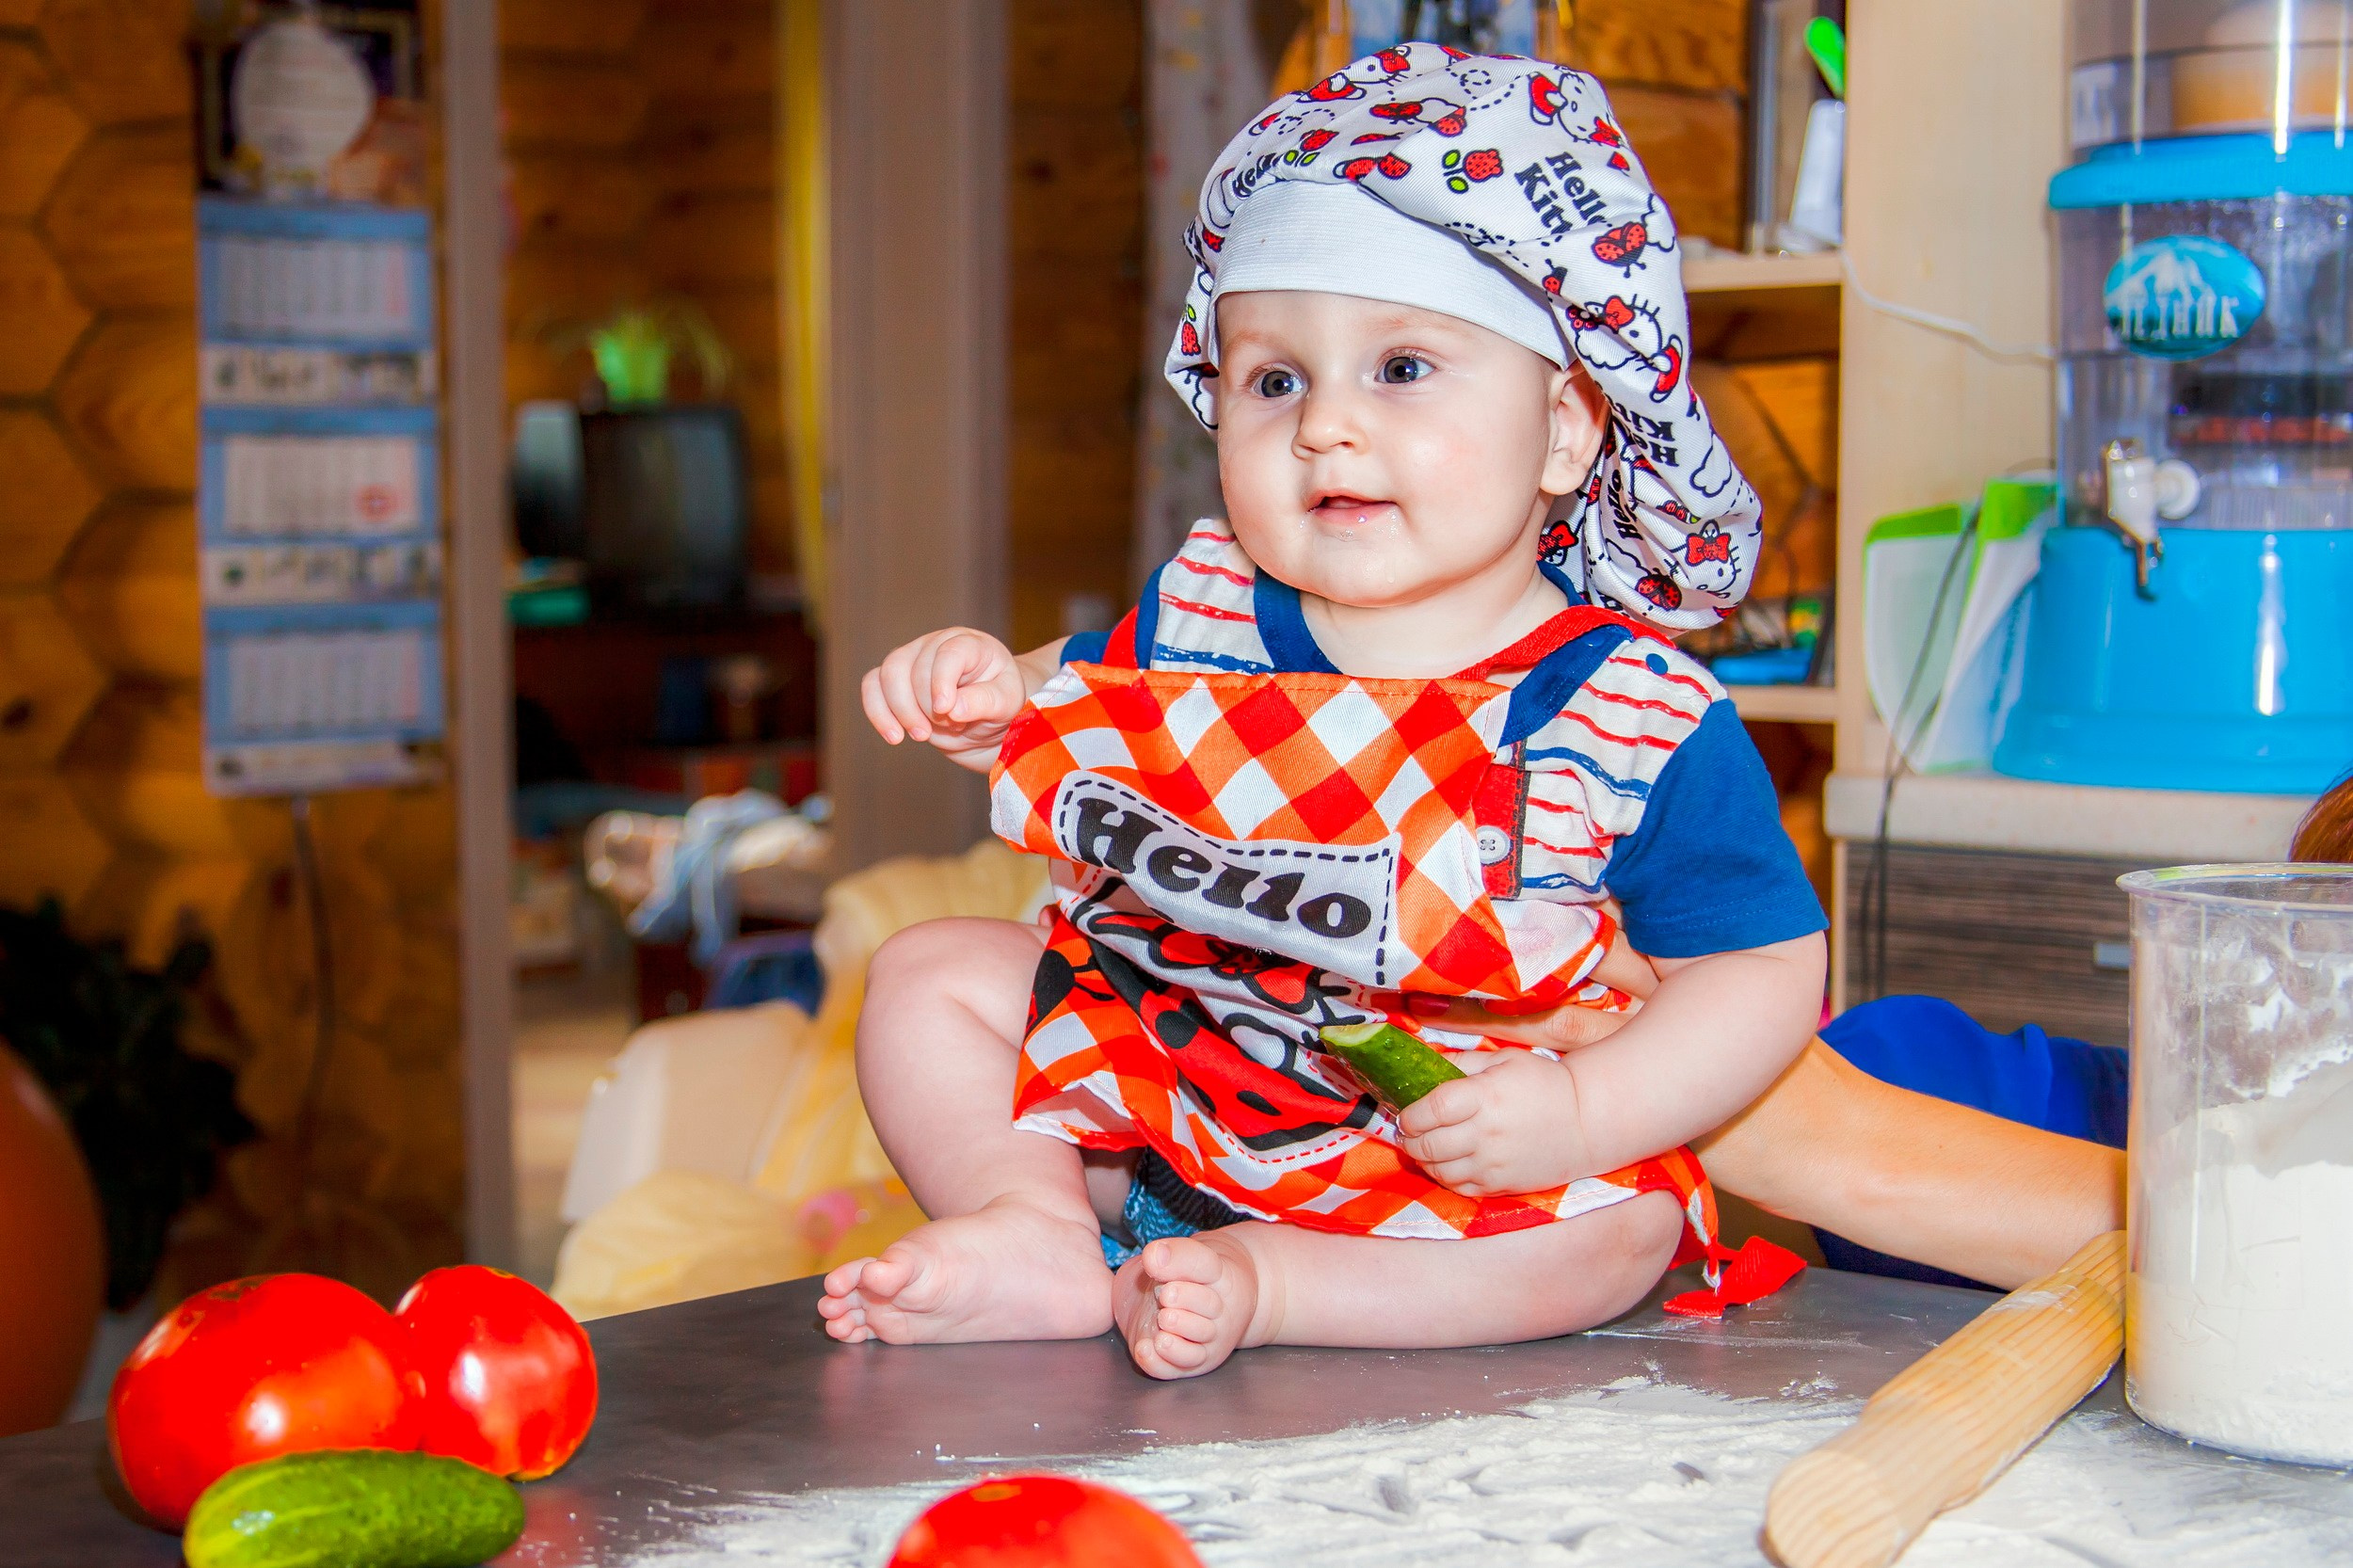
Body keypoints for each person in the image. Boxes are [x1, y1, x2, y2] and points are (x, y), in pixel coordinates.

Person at [819, 48, 1830, 1378]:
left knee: (1630, 1230)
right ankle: (1032, 1223)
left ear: (1569, 430)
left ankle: (1278, 1282)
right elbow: (1069, 698)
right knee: (924, 976)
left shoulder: (1630, 717)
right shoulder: (1207, 612)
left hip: (1451, 1155)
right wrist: (987, 693)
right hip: (1173, 1095)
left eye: (1403, 367)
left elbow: (1765, 973)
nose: (1325, 429)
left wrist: (1585, 1110)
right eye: (1275, 380)